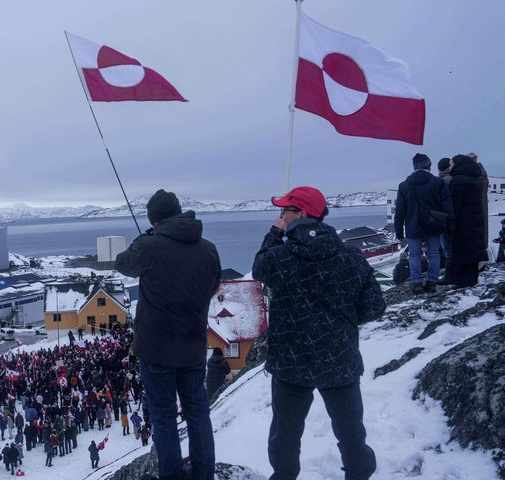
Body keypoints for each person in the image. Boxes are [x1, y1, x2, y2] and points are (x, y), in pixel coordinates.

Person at [252, 186, 386, 480]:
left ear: (301, 214)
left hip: (290, 361)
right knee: (350, 429)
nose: (280, 215)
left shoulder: (281, 256)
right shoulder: (350, 256)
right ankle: (359, 473)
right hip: (339, 358)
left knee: (286, 434)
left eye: (284, 210)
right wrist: (343, 323)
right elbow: (375, 306)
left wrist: (274, 234)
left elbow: (259, 268)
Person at [115, 189, 221, 480]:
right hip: (193, 346)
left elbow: (122, 263)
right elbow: (214, 285)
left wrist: (144, 239)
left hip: (156, 350)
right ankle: (204, 474)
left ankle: (172, 475)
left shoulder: (149, 246)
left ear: (153, 220)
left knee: (164, 418)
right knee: (198, 413)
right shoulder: (208, 248)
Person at [394, 153, 453, 294]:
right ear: (429, 166)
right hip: (434, 224)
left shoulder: (404, 185)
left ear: (414, 167)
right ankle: (432, 282)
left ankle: (417, 283)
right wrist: (449, 224)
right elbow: (447, 206)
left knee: (414, 254)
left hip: (413, 226)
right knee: (434, 254)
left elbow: (400, 210)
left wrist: (398, 230)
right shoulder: (438, 182)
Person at [448, 154, 489, 287]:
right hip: (475, 219)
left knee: (462, 249)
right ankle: (472, 278)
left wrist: (450, 221)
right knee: (472, 251)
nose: (449, 167)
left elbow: (454, 204)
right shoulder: (476, 179)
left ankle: (462, 281)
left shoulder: (457, 181)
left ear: (458, 164)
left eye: (451, 164)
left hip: (462, 221)